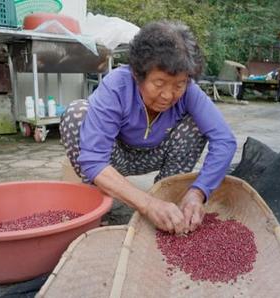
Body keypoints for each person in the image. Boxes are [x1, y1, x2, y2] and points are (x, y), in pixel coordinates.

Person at [60, 21, 236, 235]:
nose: (168, 95)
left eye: (178, 85)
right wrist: (147, 204)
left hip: (156, 153)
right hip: (114, 156)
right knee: (76, 114)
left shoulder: (190, 91)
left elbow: (224, 140)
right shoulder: (117, 86)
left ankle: (167, 199)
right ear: (137, 74)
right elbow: (94, 160)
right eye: (159, 84)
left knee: (196, 126)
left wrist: (199, 192)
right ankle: (100, 198)